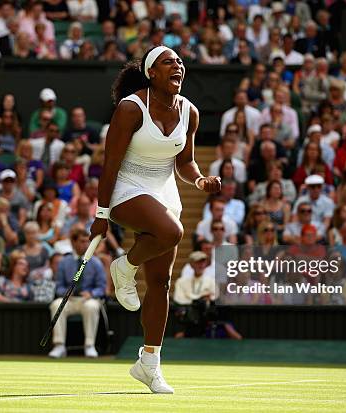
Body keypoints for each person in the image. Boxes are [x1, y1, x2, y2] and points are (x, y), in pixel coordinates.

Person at [89, 46, 221, 394]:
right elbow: (110, 164)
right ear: (151, 73)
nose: (177, 66)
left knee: (160, 282)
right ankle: (125, 266)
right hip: (125, 189)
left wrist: (199, 180)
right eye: (168, 62)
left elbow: (184, 162)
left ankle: (149, 363)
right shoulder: (131, 108)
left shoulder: (190, 111)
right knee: (172, 231)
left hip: (164, 193)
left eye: (179, 62)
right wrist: (102, 214)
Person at [48, 228, 106, 359]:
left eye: (88, 242)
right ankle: (59, 346)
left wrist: (91, 293)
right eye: (82, 241)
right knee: (56, 305)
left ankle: (89, 346)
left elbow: (101, 287)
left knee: (91, 306)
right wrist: (66, 292)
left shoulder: (96, 262)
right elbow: (58, 287)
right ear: (73, 242)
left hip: (88, 299)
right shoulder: (64, 262)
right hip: (70, 299)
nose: (86, 245)